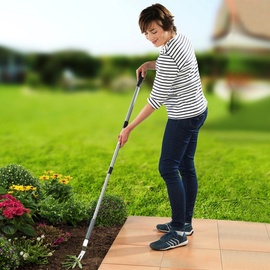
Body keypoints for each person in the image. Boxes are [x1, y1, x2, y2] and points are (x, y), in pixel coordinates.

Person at [118, 3, 208, 251]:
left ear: (167, 26)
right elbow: (172, 63)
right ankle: (185, 224)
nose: (150, 37)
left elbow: (155, 100)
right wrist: (150, 64)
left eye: (154, 31)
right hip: (198, 110)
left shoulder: (169, 56)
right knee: (185, 166)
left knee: (168, 168)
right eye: (146, 33)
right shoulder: (181, 40)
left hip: (184, 117)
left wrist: (129, 129)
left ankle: (178, 232)